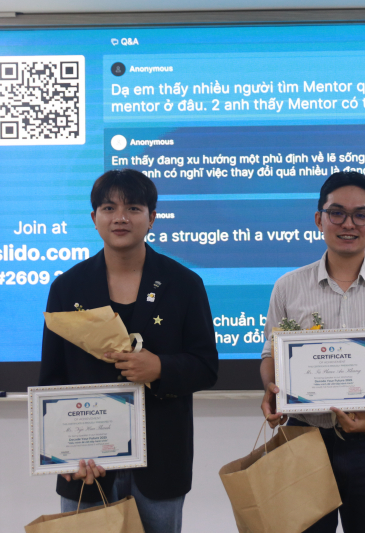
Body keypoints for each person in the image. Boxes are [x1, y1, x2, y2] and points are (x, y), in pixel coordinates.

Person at [39, 169, 218, 533]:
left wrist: (160, 368)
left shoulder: (184, 283)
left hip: (161, 461)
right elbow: (52, 379)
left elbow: (206, 367)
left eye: (133, 208)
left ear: (152, 218)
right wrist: (64, 453)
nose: (120, 217)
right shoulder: (67, 287)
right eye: (109, 208)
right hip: (87, 463)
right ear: (94, 218)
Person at [260, 172, 365, 533]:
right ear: (319, 219)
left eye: (360, 214)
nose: (348, 224)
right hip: (304, 440)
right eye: (336, 213)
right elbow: (269, 355)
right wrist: (272, 390)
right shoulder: (288, 287)